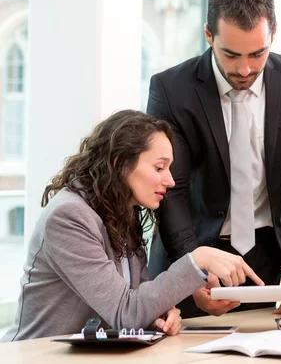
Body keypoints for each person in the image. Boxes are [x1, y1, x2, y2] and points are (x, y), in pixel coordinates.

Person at [146, 0, 281, 318]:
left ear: (273, 33)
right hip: (190, 247)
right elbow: (173, 189)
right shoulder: (171, 90)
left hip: (265, 258)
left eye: (257, 53)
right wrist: (192, 274)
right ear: (209, 36)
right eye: (231, 54)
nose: (245, 69)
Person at [1, 110, 262, 342]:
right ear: (120, 163)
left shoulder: (123, 211)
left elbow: (136, 299)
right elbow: (125, 312)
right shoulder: (68, 217)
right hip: (36, 356)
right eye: (160, 167)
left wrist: (159, 314)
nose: (170, 180)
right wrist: (198, 258)